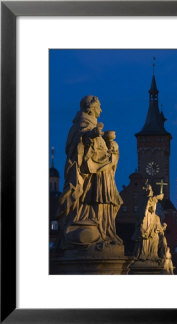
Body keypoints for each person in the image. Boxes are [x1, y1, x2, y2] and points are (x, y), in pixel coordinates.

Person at [56, 95, 123, 250]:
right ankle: (88, 226)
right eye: (98, 106)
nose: (100, 109)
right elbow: (79, 143)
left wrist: (109, 145)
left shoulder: (91, 125)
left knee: (100, 204)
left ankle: (102, 228)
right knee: (85, 202)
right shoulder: (82, 125)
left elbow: (97, 152)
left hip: (99, 175)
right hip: (87, 178)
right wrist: (89, 137)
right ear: (91, 108)